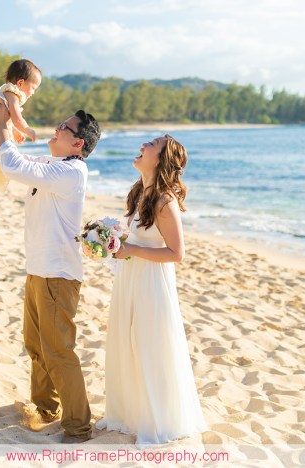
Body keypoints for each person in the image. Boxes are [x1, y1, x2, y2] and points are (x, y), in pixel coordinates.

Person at [0, 98, 101, 444]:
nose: (56, 129)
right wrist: (3, 128)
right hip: (39, 269)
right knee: (35, 345)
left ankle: (79, 426)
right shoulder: (56, 164)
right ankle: (46, 408)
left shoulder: (70, 172)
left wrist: (0, 124)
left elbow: (14, 166)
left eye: (63, 127)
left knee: (58, 351)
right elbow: (13, 160)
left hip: (58, 274)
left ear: (78, 142)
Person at [95, 135, 207, 446]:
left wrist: (129, 249)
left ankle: (160, 417)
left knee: (149, 345)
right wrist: (110, 241)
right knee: (128, 343)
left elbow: (176, 253)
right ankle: (132, 412)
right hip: (130, 280)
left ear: (159, 159)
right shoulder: (139, 192)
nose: (144, 144)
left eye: (152, 143)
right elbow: (133, 241)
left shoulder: (164, 201)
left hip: (151, 284)